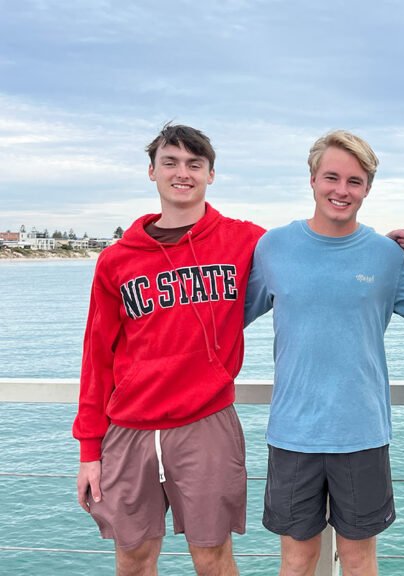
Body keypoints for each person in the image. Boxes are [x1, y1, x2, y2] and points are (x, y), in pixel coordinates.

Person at [245, 130, 404, 576]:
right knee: (297, 561)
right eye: (331, 177)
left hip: (362, 433)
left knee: (359, 560)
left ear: (368, 188)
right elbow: (228, 317)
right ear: (313, 180)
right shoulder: (272, 247)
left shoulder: (384, 254)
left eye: (354, 181)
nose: (342, 190)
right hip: (292, 434)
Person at [73, 124, 265, 575]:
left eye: (194, 164)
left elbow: (312, 249)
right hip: (129, 428)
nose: (183, 173)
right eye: (171, 162)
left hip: (206, 422)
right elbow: (96, 358)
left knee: (212, 557)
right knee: (134, 558)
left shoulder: (245, 240)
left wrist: (379, 247)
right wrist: (88, 451)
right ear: (152, 172)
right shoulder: (117, 259)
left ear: (210, 175)